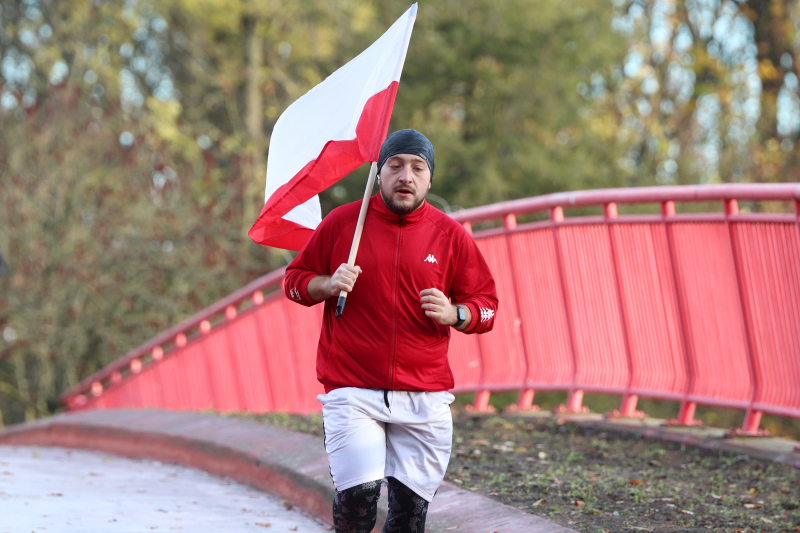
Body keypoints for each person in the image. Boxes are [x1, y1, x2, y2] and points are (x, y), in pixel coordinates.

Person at [284, 129, 498, 533]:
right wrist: (327, 284)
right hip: (352, 389)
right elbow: (294, 281)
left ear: (429, 179)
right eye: (395, 166)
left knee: (408, 518)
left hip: (425, 396)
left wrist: (456, 314)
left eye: (418, 168)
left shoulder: (450, 236)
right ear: (378, 173)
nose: (406, 176)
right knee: (358, 501)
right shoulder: (344, 223)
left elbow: (487, 308)